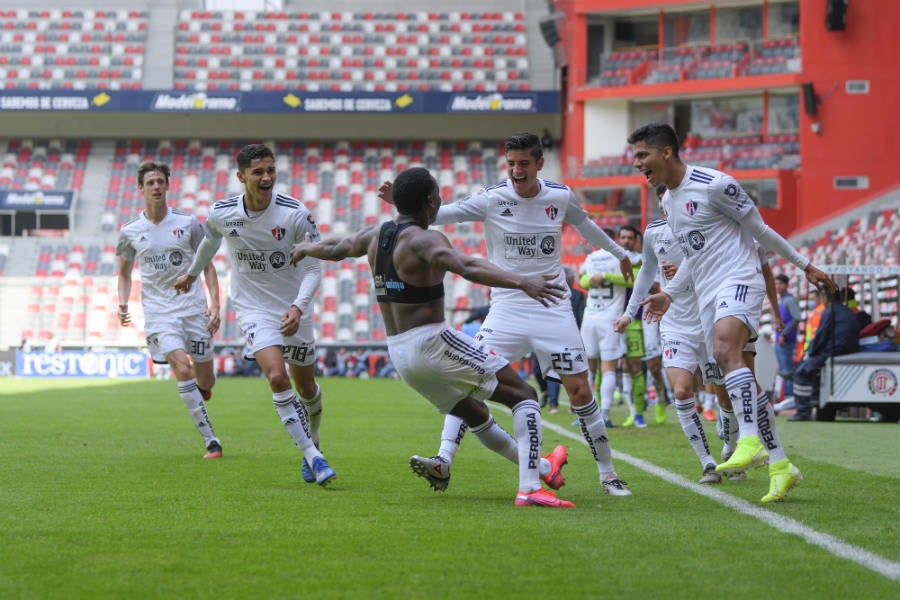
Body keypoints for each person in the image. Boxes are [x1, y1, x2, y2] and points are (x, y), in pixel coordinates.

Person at [290, 167, 574, 507]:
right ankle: (529, 489)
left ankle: (544, 468)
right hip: (432, 342)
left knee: (476, 415)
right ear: (431, 201)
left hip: (400, 353)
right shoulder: (425, 239)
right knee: (524, 395)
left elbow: (339, 246)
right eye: (438, 195)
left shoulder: (375, 234)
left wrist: (308, 248)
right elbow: (466, 266)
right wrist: (523, 281)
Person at [380, 132, 634, 497]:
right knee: (466, 384)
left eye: (524, 164)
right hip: (507, 308)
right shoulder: (492, 197)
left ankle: (609, 475)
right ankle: (444, 458)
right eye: (511, 163)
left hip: (552, 306)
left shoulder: (559, 197)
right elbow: (439, 215)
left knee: (580, 391)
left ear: (539, 163)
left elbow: (585, 224)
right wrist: (401, 205)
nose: (516, 171)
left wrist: (619, 253)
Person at [628, 123, 835, 502]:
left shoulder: (715, 184)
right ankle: (780, 464)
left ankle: (749, 439)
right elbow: (693, 255)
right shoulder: (670, 202)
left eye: (642, 155)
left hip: (739, 278)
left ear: (667, 152)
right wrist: (670, 294)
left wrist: (805, 266)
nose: (637, 163)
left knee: (726, 353)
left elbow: (762, 230)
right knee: (740, 382)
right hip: (707, 293)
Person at [174, 143, 335, 486]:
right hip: (253, 309)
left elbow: (312, 270)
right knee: (277, 377)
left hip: (294, 308)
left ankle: (315, 437)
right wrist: (192, 273)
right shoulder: (222, 212)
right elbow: (210, 241)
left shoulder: (295, 213)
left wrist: (298, 307)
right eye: (258, 172)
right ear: (241, 176)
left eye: (271, 170)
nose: (266, 177)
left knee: (307, 389)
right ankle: (314, 457)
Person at [116, 161, 223, 459]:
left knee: (206, 379)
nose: (156, 187)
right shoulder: (129, 231)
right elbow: (124, 273)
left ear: (168, 185)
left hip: (193, 309)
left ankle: (203, 389)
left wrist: (216, 304)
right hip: (159, 313)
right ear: (141, 189)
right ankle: (211, 440)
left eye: (160, 181)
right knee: (182, 367)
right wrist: (122, 301)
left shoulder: (188, 223)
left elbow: (208, 266)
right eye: (150, 182)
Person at [578, 228, 633, 427]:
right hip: (610, 318)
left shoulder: (591, 257)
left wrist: (595, 278)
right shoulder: (621, 257)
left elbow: (582, 281)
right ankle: (605, 415)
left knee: (588, 368)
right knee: (608, 367)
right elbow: (631, 280)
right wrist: (608, 276)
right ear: (614, 239)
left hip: (590, 316)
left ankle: (585, 415)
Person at [790, 288, 861, 421]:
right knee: (813, 370)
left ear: (826, 298)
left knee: (801, 372)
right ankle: (815, 400)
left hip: (833, 353)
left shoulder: (830, 312)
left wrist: (810, 354)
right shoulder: (848, 312)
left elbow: (820, 337)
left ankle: (803, 412)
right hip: (849, 351)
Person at [544, 266, 586, 413]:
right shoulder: (578, 294)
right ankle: (574, 406)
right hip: (572, 335)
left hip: (552, 335)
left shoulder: (550, 293)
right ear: (569, 279)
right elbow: (580, 316)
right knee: (573, 371)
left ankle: (553, 405)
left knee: (554, 370)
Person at [773, 274, 802, 410]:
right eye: (776, 284)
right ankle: (788, 397)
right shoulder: (782, 299)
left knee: (787, 369)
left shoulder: (789, 300)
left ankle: (791, 397)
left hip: (786, 340)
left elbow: (797, 317)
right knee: (784, 369)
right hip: (780, 339)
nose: (778, 287)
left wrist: (784, 334)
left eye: (781, 284)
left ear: (787, 285)